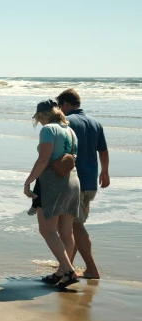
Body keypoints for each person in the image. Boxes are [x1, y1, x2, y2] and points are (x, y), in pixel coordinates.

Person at [24, 100, 81, 290]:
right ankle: (60, 273)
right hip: (72, 181)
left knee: (47, 230)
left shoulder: (48, 129)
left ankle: (68, 271)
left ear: (42, 115)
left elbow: (43, 159)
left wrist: (29, 181)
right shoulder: (70, 131)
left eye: (38, 118)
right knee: (66, 231)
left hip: (53, 183)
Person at [57, 88, 109, 279]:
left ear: (65, 105)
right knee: (74, 225)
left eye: (59, 107)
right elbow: (103, 151)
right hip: (91, 182)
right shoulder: (95, 123)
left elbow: (62, 153)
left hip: (74, 181)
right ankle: (67, 266)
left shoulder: (67, 123)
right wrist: (105, 172)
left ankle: (92, 269)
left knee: (75, 226)